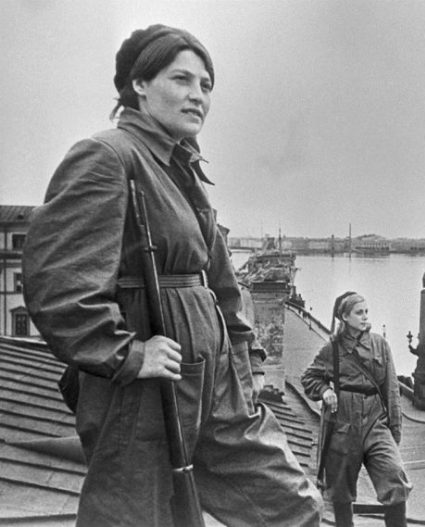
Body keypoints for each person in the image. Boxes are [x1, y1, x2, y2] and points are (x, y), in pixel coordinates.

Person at [22, 24, 322, 526]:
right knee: (138, 517)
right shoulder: (108, 157)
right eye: (182, 80)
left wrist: (241, 365)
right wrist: (127, 353)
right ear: (139, 84)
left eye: (206, 85)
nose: (198, 96)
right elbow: (57, 283)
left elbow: (220, 282)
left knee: (292, 508)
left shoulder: (181, 169)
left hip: (214, 386)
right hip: (143, 396)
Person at [301, 292, 412, 527]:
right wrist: (324, 391)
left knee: (394, 477)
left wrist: (395, 429)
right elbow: (309, 378)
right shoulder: (332, 349)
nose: (365, 317)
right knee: (341, 490)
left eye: (366, 312)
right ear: (345, 317)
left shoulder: (379, 344)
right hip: (343, 423)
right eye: (359, 313)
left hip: (375, 420)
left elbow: (391, 389)